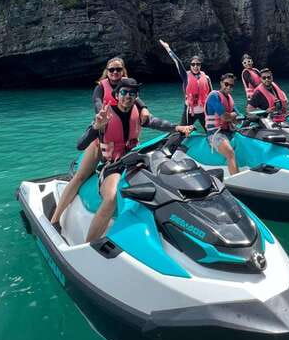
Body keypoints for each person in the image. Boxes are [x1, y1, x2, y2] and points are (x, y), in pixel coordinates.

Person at [51, 75, 188, 231]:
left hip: (125, 155)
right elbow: (80, 144)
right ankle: (55, 219)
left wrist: (178, 128)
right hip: (102, 151)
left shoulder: (138, 113)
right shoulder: (106, 115)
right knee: (82, 178)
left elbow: (157, 123)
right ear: (117, 95)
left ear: (136, 97)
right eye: (124, 92)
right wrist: (96, 127)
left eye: (132, 93)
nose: (127, 96)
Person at [159, 40, 212, 130]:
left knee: (211, 132)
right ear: (190, 65)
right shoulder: (185, 76)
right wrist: (168, 48)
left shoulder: (206, 78)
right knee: (181, 132)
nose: (195, 66)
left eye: (198, 64)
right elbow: (177, 62)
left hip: (204, 111)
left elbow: (211, 95)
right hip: (189, 111)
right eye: (193, 64)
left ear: (200, 65)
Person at [204, 73, 239, 175]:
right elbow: (224, 117)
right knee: (230, 153)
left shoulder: (230, 98)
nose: (228, 87)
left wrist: (232, 115)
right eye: (226, 84)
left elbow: (238, 116)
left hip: (229, 131)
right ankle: (237, 182)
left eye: (231, 85)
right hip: (215, 133)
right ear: (221, 83)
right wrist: (233, 115)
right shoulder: (214, 96)